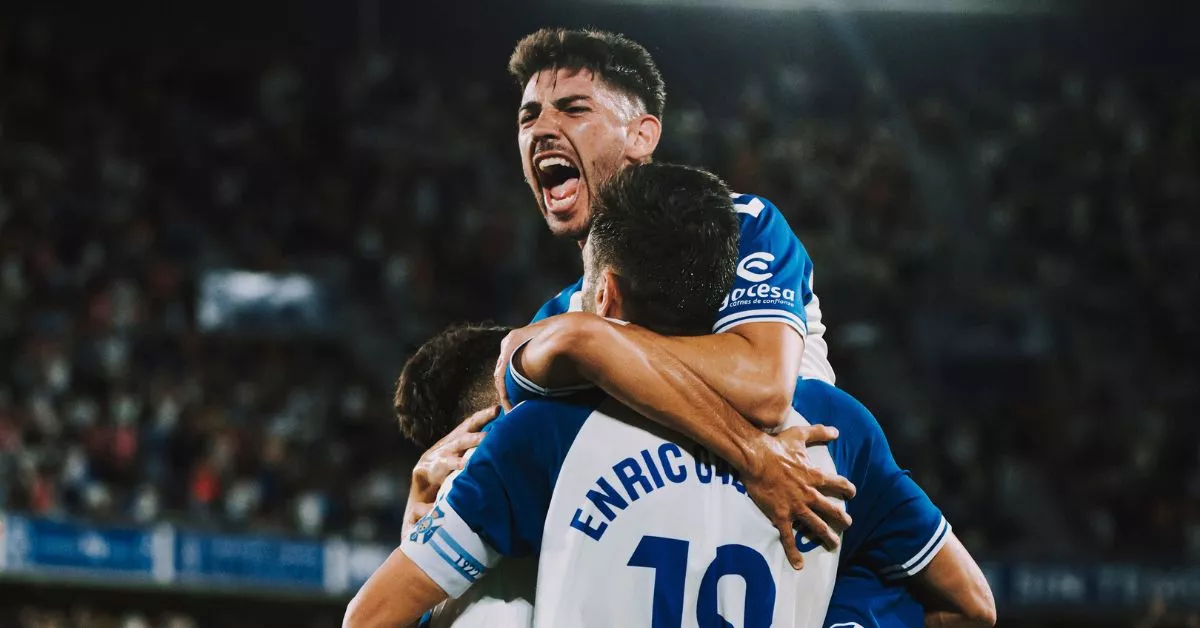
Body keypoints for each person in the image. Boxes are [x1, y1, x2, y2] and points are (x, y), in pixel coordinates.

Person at [345, 164, 994, 627]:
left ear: (604, 297)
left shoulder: (542, 433)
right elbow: (970, 604)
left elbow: (369, 619)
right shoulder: (835, 430)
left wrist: (423, 532)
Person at [493, 27, 849, 562]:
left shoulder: (737, 226)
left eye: (572, 109)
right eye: (528, 116)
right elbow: (510, 442)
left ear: (641, 136)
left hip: (804, 546)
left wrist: (593, 347)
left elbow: (762, 384)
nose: (542, 129)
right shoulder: (562, 315)